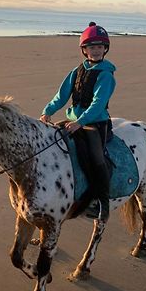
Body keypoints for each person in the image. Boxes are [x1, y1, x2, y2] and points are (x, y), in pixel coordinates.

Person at [40, 22, 116, 222]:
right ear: (84, 50)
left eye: (100, 47)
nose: (96, 50)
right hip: (73, 120)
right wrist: (47, 111)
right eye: (92, 47)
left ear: (105, 49)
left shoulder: (106, 75)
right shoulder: (77, 71)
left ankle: (101, 203)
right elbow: (62, 95)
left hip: (95, 123)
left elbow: (99, 104)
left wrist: (81, 122)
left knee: (96, 159)